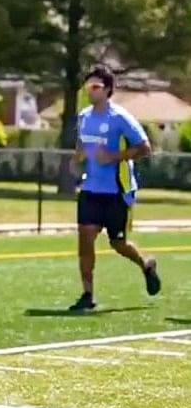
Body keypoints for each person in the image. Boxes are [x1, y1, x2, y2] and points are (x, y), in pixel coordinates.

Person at [70, 64, 161, 310]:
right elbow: (82, 144)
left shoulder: (119, 117)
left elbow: (145, 148)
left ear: (108, 89)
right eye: (88, 85)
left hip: (116, 192)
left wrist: (114, 156)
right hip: (90, 190)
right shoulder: (84, 116)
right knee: (85, 239)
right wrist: (77, 159)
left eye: (96, 86)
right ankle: (88, 295)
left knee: (118, 244)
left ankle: (146, 266)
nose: (91, 90)